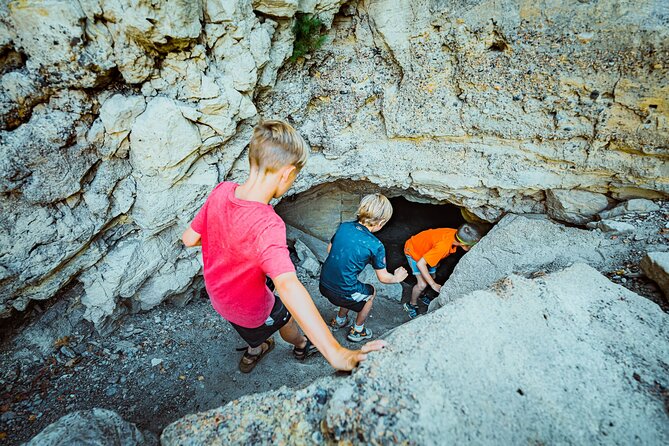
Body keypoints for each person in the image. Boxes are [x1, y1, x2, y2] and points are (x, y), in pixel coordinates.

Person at [182, 120, 385, 373]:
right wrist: (336, 352)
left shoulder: (221, 191)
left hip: (219, 296)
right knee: (282, 316)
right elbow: (287, 285)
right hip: (250, 307)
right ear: (287, 173)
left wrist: (232, 245)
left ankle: (256, 348)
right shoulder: (269, 225)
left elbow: (189, 238)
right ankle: (301, 345)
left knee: (252, 331)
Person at [319, 194, 408, 342]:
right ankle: (358, 331)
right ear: (382, 221)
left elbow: (330, 250)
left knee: (352, 285)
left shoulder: (344, 227)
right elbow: (383, 278)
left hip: (323, 284)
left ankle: (340, 320)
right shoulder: (376, 245)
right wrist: (397, 277)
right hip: (340, 292)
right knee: (370, 293)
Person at [403, 223, 482, 318]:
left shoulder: (456, 233)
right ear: (462, 244)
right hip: (414, 251)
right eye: (471, 246)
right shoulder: (443, 247)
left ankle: (421, 294)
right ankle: (411, 304)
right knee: (422, 284)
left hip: (427, 250)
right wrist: (433, 284)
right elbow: (420, 264)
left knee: (432, 277)